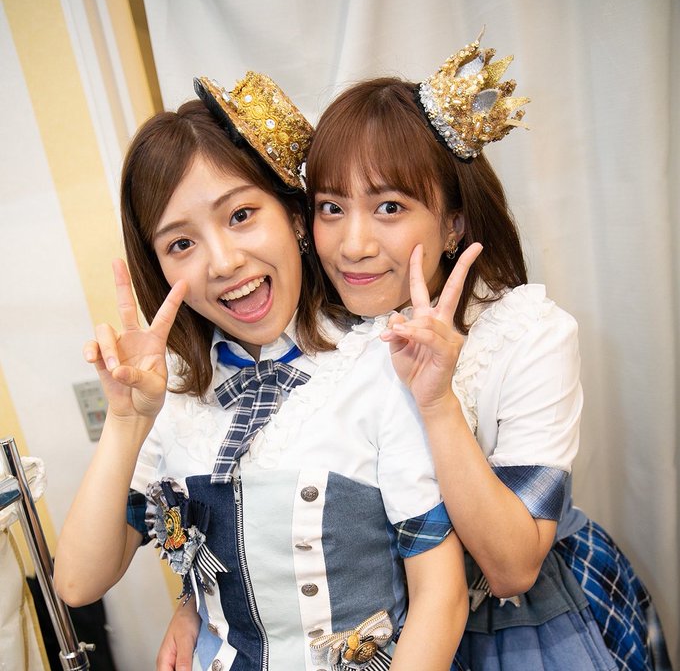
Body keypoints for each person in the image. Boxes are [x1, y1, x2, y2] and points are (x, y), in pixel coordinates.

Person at [159, 34, 672, 671]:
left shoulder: (525, 334)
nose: (353, 244)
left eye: (390, 207)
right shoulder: (314, 327)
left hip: (516, 625)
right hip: (383, 633)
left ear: (453, 222)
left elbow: (512, 567)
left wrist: (437, 404)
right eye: (331, 207)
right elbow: (263, 492)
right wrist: (201, 603)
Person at [53, 72, 468, 671]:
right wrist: (125, 422)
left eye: (242, 215)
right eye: (180, 244)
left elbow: (441, 596)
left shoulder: (382, 361)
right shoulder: (168, 390)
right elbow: (77, 583)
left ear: (295, 215)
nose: (223, 262)